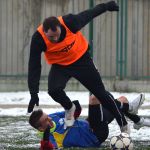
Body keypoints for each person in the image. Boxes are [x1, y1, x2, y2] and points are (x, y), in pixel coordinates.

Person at [27, 0, 140, 131]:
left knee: (101, 94)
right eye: (51, 37)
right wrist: (33, 92)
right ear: (45, 32)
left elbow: (89, 14)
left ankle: (123, 125)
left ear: (59, 27)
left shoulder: (70, 22)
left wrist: (106, 6)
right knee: (53, 90)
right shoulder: (38, 39)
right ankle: (70, 107)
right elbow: (34, 66)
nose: (55, 40)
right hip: (60, 65)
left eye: (57, 35)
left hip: (81, 60)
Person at [29, 93, 150, 149]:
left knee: (120, 100)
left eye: (47, 116)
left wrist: (73, 107)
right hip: (95, 135)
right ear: (40, 128)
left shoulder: (53, 117)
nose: (49, 118)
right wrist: (45, 140)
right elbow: (47, 148)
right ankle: (132, 112)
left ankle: (138, 121)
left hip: (90, 122)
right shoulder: (51, 139)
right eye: (46, 119)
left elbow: (72, 113)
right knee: (95, 97)